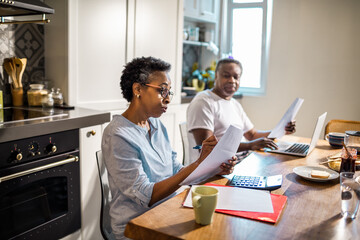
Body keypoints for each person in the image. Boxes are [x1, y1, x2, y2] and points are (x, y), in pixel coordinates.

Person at [101, 56, 237, 240]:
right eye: (162, 90)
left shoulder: (156, 126)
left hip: (168, 211)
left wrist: (215, 168)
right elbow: (145, 196)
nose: (167, 99)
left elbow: (176, 170)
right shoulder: (118, 134)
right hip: (137, 227)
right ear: (138, 89)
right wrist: (198, 163)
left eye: (169, 92)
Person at [187, 58, 296, 163]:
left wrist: (282, 130)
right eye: (226, 76)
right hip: (216, 170)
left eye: (236, 77)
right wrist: (250, 145)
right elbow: (206, 149)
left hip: (241, 160)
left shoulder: (234, 104)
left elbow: (252, 135)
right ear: (216, 76)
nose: (232, 80)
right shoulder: (203, 102)